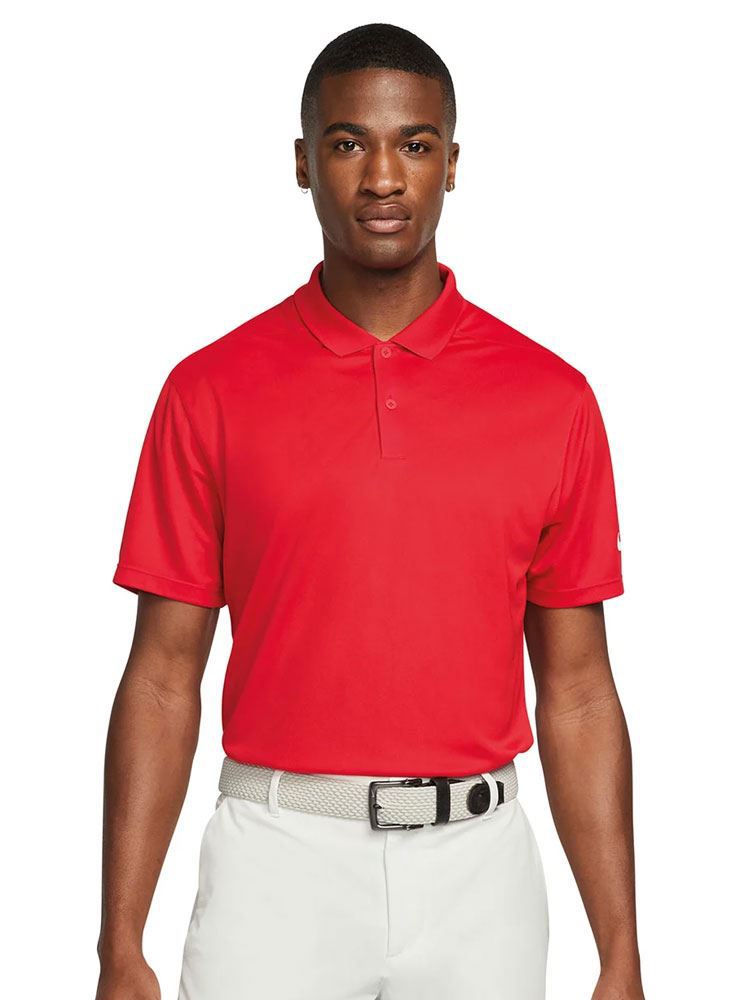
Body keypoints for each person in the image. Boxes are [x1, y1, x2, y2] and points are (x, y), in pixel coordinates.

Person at [96, 22, 644, 1000]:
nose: (384, 177)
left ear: (452, 164)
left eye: (415, 144)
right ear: (303, 163)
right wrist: (119, 942)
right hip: (276, 863)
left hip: (480, 874)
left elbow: (578, 692)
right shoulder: (209, 392)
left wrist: (622, 952)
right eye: (349, 143)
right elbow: (164, 678)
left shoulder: (552, 400)